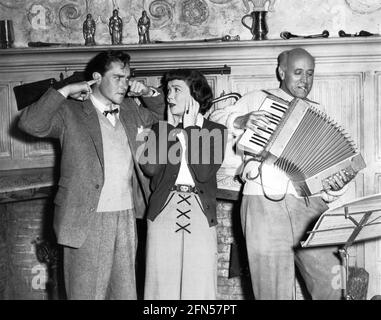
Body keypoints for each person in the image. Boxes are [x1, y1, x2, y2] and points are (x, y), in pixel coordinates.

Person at [18, 50, 165, 300]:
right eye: (118, 77)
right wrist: (63, 91)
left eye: (128, 78)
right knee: (86, 294)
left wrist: (149, 93)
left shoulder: (130, 109)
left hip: (126, 216)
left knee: (125, 293)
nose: (125, 84)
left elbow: (165, 118)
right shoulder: (70, 111)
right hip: (85, 218)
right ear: (97, 77)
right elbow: (31, 124)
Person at [210, 47, 353, 300]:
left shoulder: (320, 112)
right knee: (271, 290)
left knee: (331, 280)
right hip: (264, 203)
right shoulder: (257, 99)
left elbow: (329, 168)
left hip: (311, 204)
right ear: (281, 72)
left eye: (310, 73)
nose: (305, 80)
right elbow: (213, 119)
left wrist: (337, 185)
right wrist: (241, 121)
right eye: (298, 72)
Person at [139, 69, 227, 299]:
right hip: (162, 212)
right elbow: (149, 168)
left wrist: (191, 130)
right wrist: (167, 128)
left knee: (199, 287)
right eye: (168, 90)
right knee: (161, 286)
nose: (169, 96)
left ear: (195, 96)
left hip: (200, 213)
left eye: (176, 90)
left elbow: (203, 172)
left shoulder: (217, 131)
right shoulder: (157, 129)